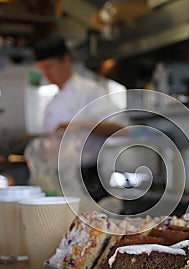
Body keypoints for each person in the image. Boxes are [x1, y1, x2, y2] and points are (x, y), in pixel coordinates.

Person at [31, 36, 126, 207]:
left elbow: (120, 128)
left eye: (49, 67)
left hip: (88, 177)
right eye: (42, 69)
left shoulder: (89, 90)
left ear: (66, 60)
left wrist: (78, 125)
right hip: (59, 177)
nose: (46, 73)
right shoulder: (51, 103)